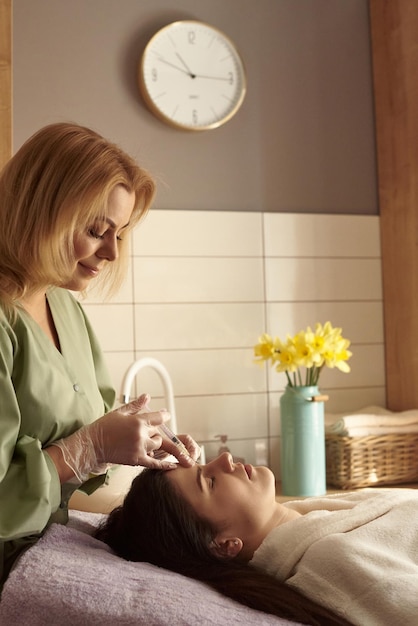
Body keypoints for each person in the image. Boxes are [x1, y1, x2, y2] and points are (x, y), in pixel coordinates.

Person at [0, 122, 200, 589]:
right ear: (40, 211)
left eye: (120, 234)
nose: (111, 251)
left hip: (42, 559)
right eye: (96, 230)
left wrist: (139, 436)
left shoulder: (64, 306)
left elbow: (95, 424)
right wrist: (87, 448)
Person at [96, 452, 418, 626]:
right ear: (223, 544)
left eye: (206, 463)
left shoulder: (324, 514)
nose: (223, 458)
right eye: (209, 481)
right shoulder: (334, 561)